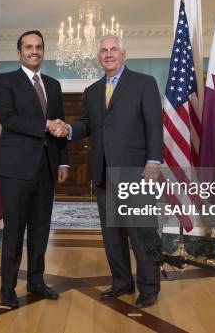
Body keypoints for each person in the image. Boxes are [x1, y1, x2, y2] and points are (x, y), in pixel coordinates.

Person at [54, 34, 163, 308]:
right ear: (98, 56)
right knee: (111, 233)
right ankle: (122, 281)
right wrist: (67, 129)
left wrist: (153, 161)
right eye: (103, 50)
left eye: (114, 49)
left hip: (136, 171)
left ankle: (149, 287)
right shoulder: (91, 91)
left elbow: (154, 125)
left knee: (142, 232)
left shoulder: (144, 83)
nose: (109, 54)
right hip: (102, 172)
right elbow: (85, 125)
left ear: (123, 54)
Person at [0, 30, 69, 309]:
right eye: (28, 47)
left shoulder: (53, 84)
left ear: (43, 51)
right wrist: (44, 125)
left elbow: (60, 125)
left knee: (40, 229)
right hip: (15, 170)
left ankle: (36, 281)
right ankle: (7, 288)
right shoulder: (7, 81)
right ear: (19, 52)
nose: (34, 51)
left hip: (46, 168)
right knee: (14, 230)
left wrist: (63, 160)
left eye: (38, 47)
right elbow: (8, 119)